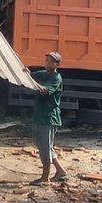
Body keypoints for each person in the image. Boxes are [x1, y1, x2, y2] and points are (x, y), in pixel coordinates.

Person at [30, 51, 67, 185]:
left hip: (48, 117)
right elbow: (29, 75)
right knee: (47, 147)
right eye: (47, 60)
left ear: (57, 64)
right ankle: (61, 172)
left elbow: (45, 91)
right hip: (41, 116)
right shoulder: (43, 73)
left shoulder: (56, 78)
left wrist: (35, 86)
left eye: (51, 61)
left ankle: (45, 178)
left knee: (45, 148)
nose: (47, 63)